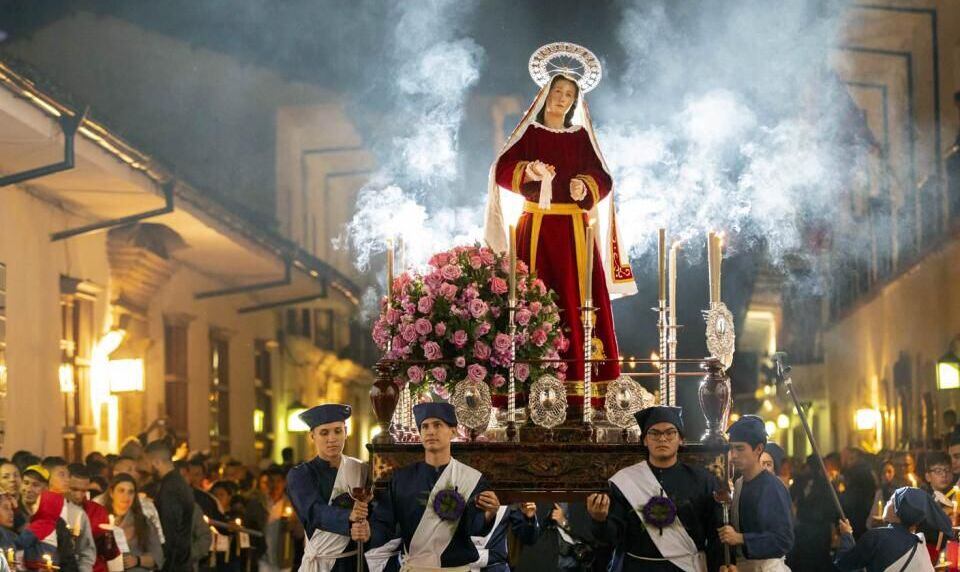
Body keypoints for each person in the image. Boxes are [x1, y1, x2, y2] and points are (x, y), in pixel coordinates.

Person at [484, 59, 637, 400]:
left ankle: (584, 389)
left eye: (569, 94)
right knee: (531, 298)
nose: (562, 98)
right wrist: (529, 171)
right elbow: (502, 169)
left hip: (573, 235)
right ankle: (525, 385)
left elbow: (604, 178)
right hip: (534, 229)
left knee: (576, 299)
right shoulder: (531, 134)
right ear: (546, 93)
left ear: (574, 101)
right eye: (558, 91)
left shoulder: (580, 137)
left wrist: (585, 185)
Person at [368, 402, 501, 571]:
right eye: (425, 426)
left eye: (437, 425)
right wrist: (367, 532)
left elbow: (475, 528)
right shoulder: (401, 479)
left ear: (453, 431)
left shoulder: (472, 479)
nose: (430, 431)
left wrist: (490, 513)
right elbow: (384, 524)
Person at [587, 405, 721, 571]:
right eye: (654, 433)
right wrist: (599, 520)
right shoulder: (625, 482)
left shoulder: (703, 481)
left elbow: (716, 535)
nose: (662, 439)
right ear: (644, 440)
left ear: (681, 439)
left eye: (670, 432)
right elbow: (612, 537)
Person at [286, 403, 368, 571]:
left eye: (338, 431)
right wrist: (348, 516)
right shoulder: (301, 474)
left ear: (346, 432)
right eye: (324, 433)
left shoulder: (361, 469)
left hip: (355, 562)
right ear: (312, 436)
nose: (332, 439)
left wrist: (368, 528)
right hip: (321, 563)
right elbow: (314, 512)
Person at [719, 415, 794, 571]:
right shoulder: (739, 483)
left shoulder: (773, 487)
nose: (733, 455)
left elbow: (784, 540)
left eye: (740, 448)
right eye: (731, 449)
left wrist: (740, 538)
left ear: (758, 449)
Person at [835, 486, 952, 571]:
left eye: (891, 500)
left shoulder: (877, 537)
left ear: (897, 511)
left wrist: (846, 535)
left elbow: (844, 563)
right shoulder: (919, 543)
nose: (886, 503)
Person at [143, 439, 194, 570]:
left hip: (174, 564)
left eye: (148, 463)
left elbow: (169, 531)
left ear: (157, 462)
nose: (146, 468)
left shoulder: (170, 489)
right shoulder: (177, 482)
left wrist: (163, 564)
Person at [44, 457, 96, 571]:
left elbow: (86, 552)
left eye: (68, 475)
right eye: (62, 475)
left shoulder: (77, 514)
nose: (67, 479)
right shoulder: (35, 508)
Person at [105, 474, 164, 571]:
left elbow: (157, 557)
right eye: (121, 491)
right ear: (111, 493)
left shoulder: (143, 523)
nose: (126, 496)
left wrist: (137, 560)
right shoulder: (101, 518)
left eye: (130, 492)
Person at [469, 502, 539, 571]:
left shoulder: (511, 500)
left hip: (495, 565)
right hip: (463, 561)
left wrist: (529, 519)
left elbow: (529, 538)